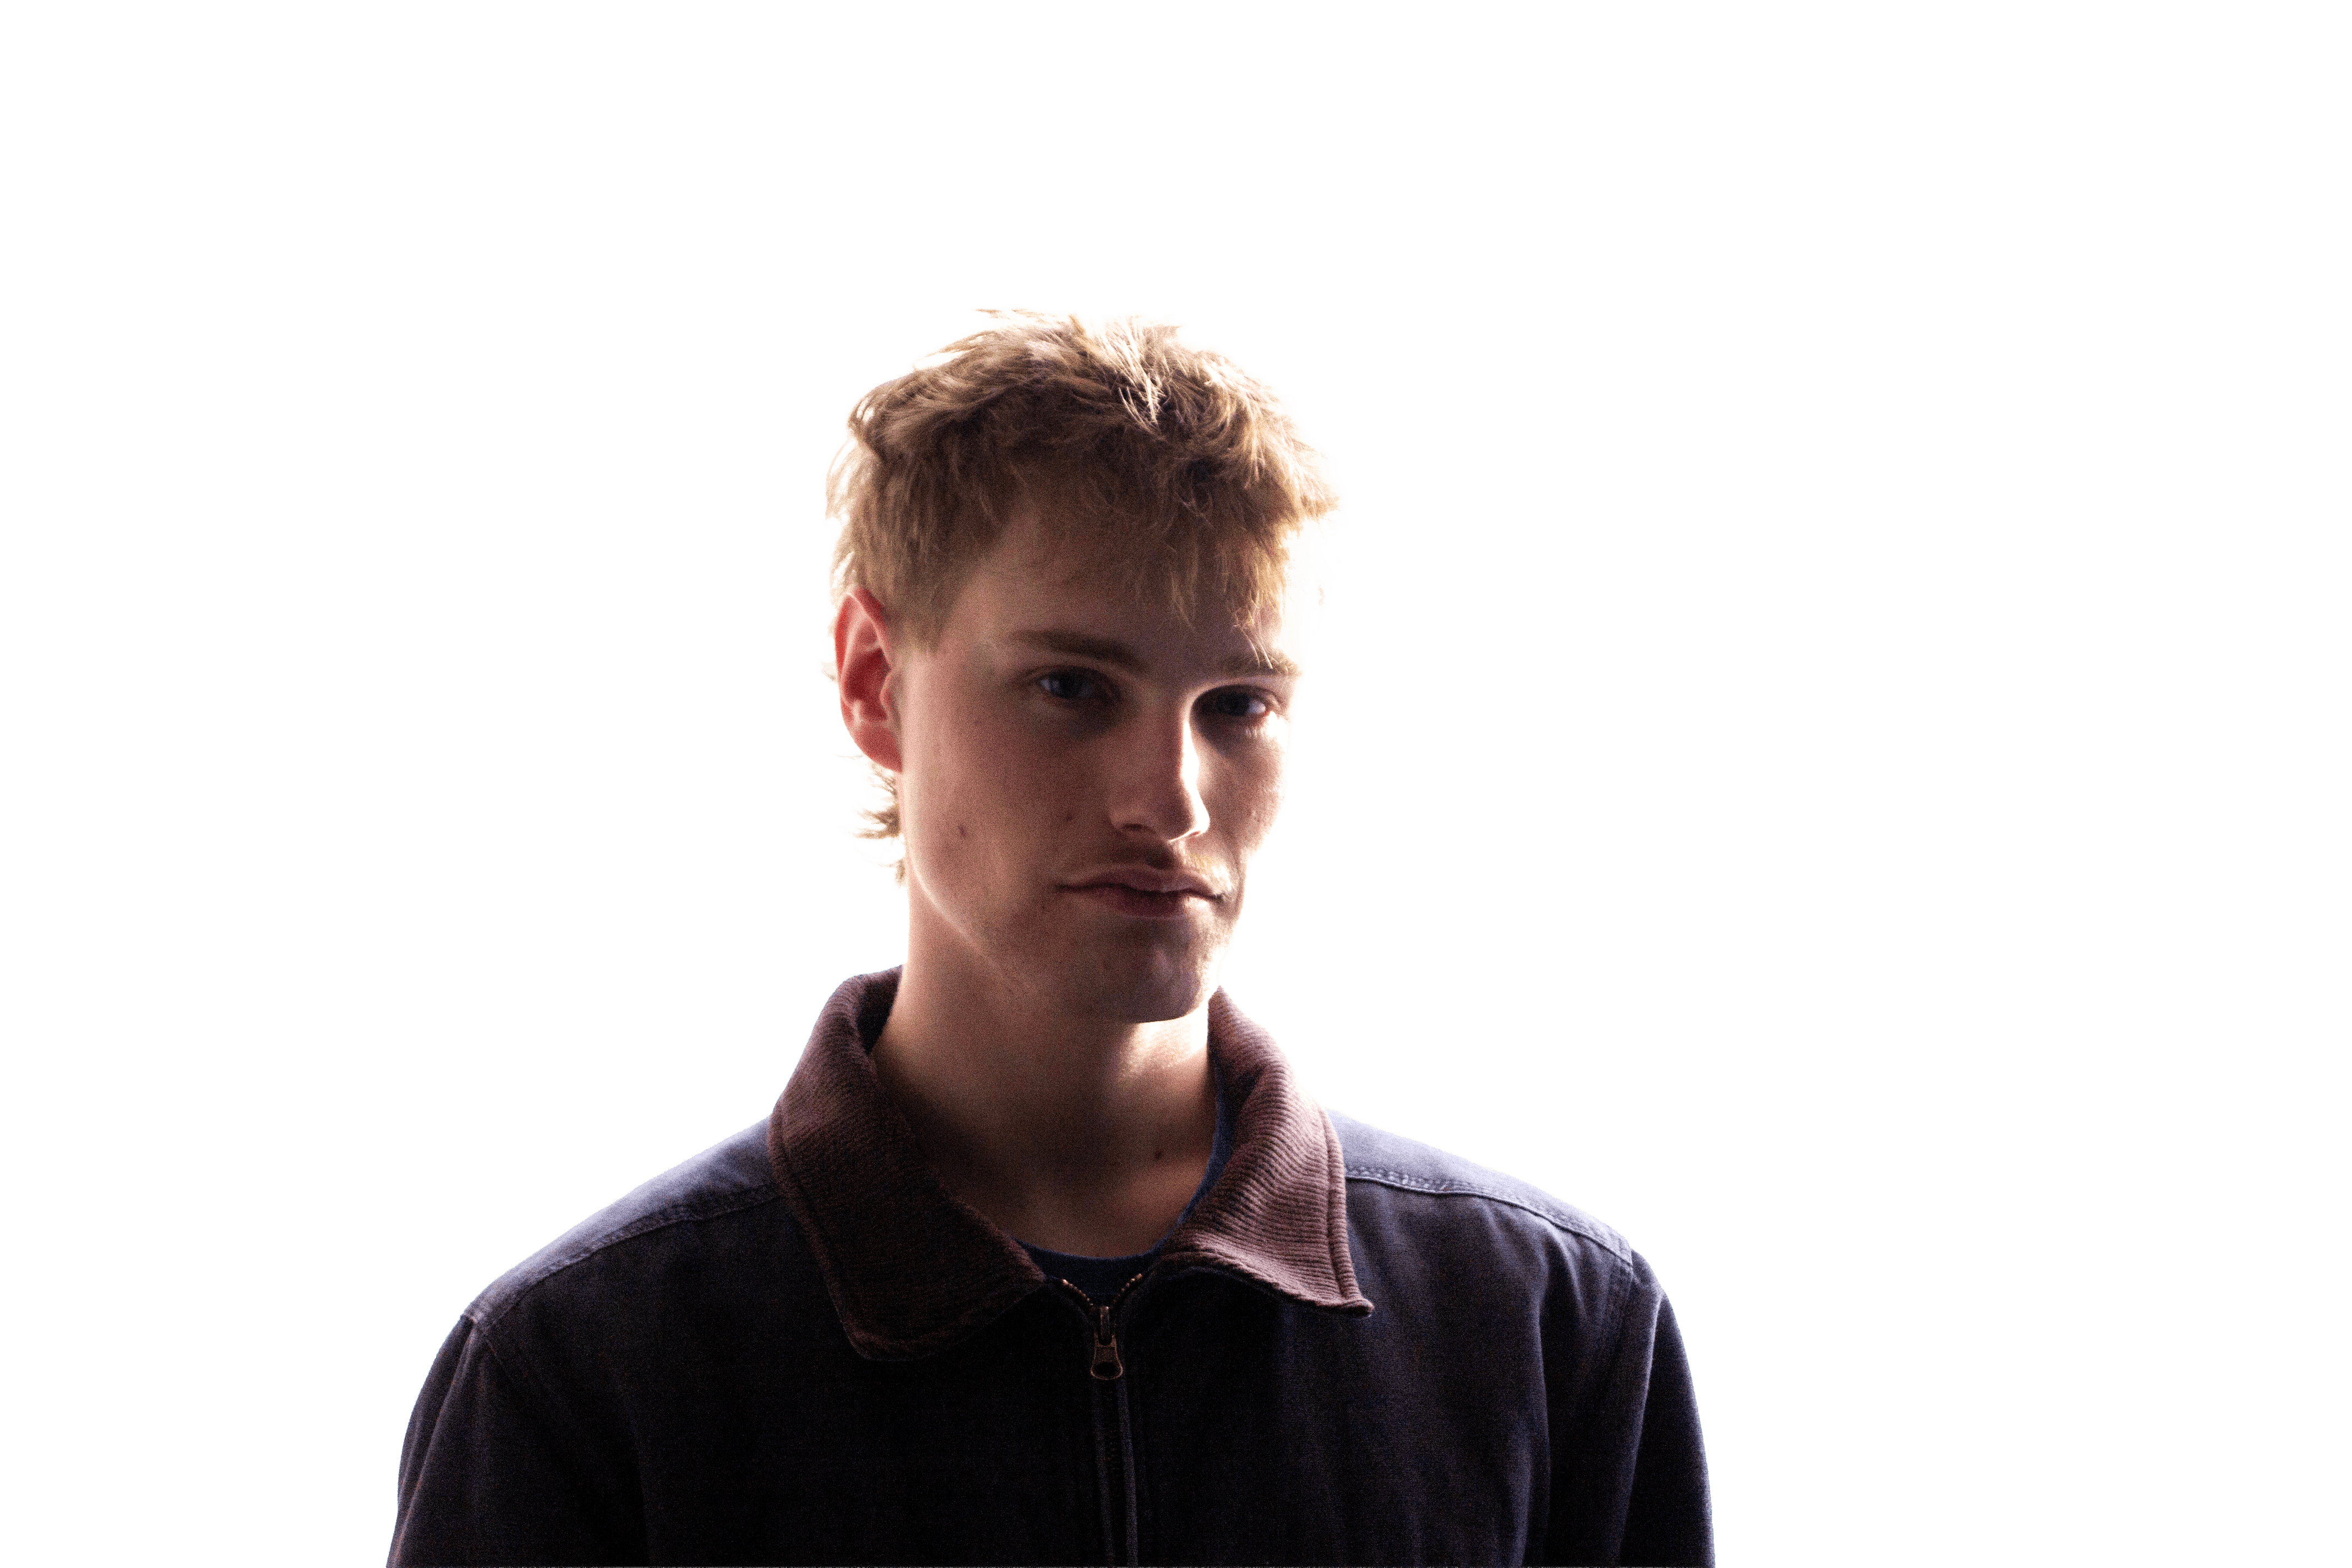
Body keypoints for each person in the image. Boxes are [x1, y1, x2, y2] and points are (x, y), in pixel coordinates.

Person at [387, 306, 1715, 1566]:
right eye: (1072, 686)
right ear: (875, 683)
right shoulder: (582, 1371)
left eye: (1239, 704)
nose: (1171, 800)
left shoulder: (1554, 1326)